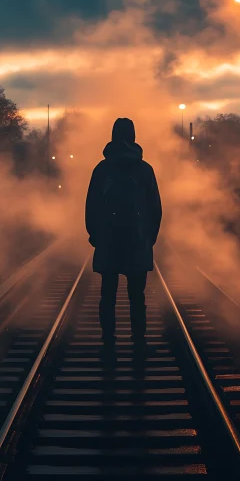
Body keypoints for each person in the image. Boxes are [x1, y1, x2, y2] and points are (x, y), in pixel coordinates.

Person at [85, 118, 162, 347]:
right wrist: (149, 239)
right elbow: (155, 209)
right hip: (137, 242)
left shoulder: (101, 169)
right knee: (137, 297)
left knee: (107, 295)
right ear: (134, 136)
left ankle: (108, 339)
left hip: (108, 241)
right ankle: (138, 339)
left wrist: (96, 236)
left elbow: (91, 206)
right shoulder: (145, 169)